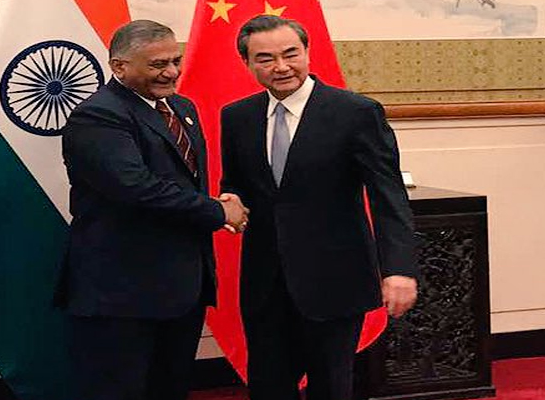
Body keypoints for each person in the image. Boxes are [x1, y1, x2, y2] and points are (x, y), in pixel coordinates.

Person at [219, 15, 418, 400]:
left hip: (334, 279)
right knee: (268, 385)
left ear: (308, 53)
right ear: (247, 63)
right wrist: (231, 199)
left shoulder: (355, 113)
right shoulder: (237, 116)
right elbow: (236, 183)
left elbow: (388, 195)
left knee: (330, 386)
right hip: (265, 282)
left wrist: (399, 269)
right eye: (265, 59)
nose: (281, 67)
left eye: (290, 54)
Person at [55, 20, 248, 400]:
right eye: (158, 64)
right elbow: (136, 187)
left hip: (182, 287)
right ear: (119, 66)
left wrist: (219, 201)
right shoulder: (98, 115)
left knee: (171, 387)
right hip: (123, 293)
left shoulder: (181, 107)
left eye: (175, 60)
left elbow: (186, 181)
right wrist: (216, 211)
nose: (172, 72)